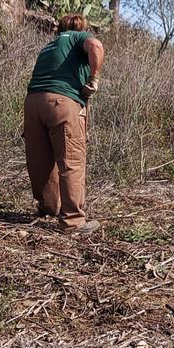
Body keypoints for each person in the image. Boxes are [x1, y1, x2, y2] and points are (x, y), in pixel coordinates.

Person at [23, 13, 105, 237]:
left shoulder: (50, 45)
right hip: (62, 102)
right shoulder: (79, 37)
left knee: (40, 160)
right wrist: (94, 80)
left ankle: (48, 208)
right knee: (71, 160)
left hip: (33, 103)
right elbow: (96, 46)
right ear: (81, 27)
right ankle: (73, 222)